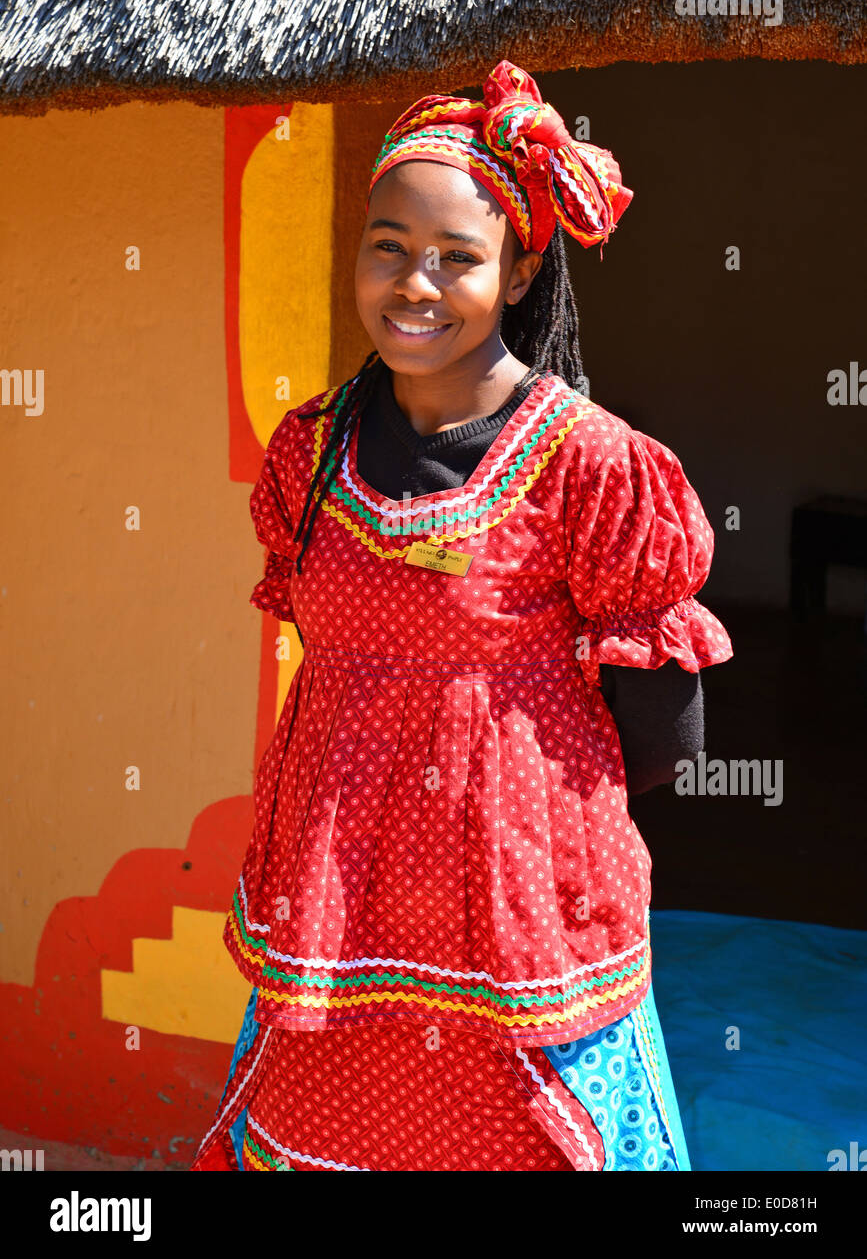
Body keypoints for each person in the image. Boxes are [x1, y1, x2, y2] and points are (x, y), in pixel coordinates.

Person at [191, 60, 733, 1172]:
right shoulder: (311, 453)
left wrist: (500, 785)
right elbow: (327, 645)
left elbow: (666, 739)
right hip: (336, 923)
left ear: (523, 269)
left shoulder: (595, 470)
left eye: (457, 257)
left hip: (518, 932)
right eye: (386, 245)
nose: (413, 283)